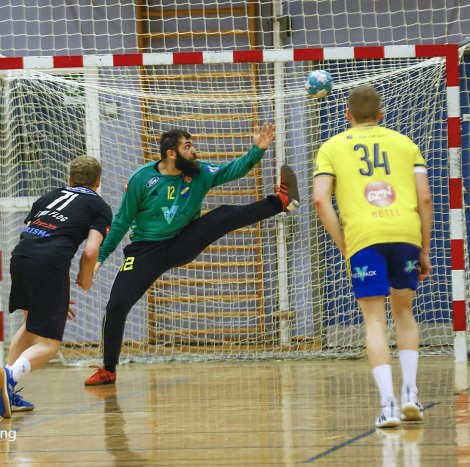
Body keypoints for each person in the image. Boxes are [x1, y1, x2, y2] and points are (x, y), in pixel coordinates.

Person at [84, 123, 300, 385]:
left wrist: (258, 149)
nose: (195, 151)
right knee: (117, 305)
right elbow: (121, 222)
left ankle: (281, 202)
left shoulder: (199, 172)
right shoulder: (141, 179)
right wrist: (101, 257)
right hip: (146, 250)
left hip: (183, 241)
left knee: (222, 215)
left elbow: (234, 170)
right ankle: (108, 369)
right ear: (171, 154)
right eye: (188, 147)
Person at [313, 85, 432, 428]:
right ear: (382, 115)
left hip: (364, 238)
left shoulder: (331, 147)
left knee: (374, 320)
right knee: (405, 312)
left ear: (347, 115)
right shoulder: (406, 144)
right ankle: (411, 393)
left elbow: (321, 201)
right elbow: (425, 199)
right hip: (405, 232)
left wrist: (344, 246)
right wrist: (423, 248)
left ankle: (389, 404)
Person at [0, 156, 112, 418]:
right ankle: (7, 376)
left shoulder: (49, 195)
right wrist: (85, 280)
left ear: (69, 179)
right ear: (98, 182)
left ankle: (5, 389)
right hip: (49, 264)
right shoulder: (99, 205)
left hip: (21, 257)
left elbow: (29, 231)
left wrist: (53, 293)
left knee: (30, 327)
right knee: (49, 346)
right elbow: (91, 251)